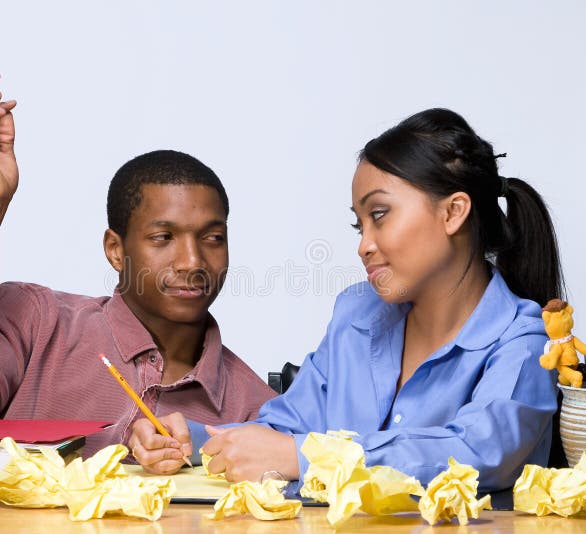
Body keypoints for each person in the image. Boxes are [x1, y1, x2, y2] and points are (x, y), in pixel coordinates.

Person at [129, 108, 562, 491]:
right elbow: (288, 426)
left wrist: (304, 457)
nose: (364, 245)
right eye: (359, 227)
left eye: (379, 216)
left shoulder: (524, 343)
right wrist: (195, 440)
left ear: (453, 212)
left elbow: (480, 453)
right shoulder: (357, 317)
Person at [0, 73, 276, 459]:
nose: (193, 261)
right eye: (163, 238)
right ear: (116, 250)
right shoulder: (37, 322)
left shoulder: (256, 409)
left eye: (213, 238)